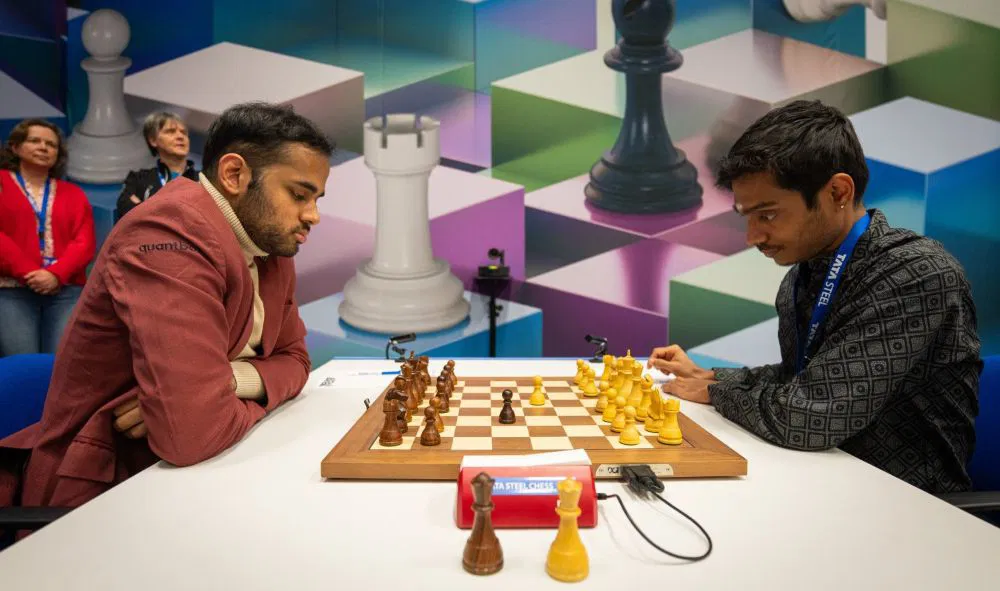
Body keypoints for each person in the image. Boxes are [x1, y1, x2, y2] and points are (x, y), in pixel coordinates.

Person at [0, 102, 333, 513]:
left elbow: (297, 361)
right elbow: (192, 433)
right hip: (105, 491)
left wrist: (224, 383)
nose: (313, 216)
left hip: (197, 472)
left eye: (315, 198)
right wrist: (196, 401)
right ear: (234, 174)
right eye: (299, 194)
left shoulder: (268, 244)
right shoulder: (168, 232)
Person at [648, 100, 981, 494]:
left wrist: (714, 393)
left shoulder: (916, 273)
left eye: (768, 214)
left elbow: (809, 417)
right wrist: (711, 376)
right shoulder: (801, 276)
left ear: (838, 191)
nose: (753, 237)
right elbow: (806, 377)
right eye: (747, 217)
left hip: (910, 506)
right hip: (821, 482)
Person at [0, 118, 95, 357]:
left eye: (51, 144)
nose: (43, 147)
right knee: (23, 363)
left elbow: (84, 242)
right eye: (35, 141)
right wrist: (30, 272)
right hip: (11, 291)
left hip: (65, 291)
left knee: (61, 364)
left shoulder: (74, 193)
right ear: (16, 147)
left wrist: (55, 274)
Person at [114, 111, 198, 222]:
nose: (180, 136)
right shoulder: (137, 179)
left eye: (184, 132)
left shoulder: (203, 180)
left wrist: (144, 208)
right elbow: (128, 214)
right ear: (153, 140)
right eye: (170, 131)